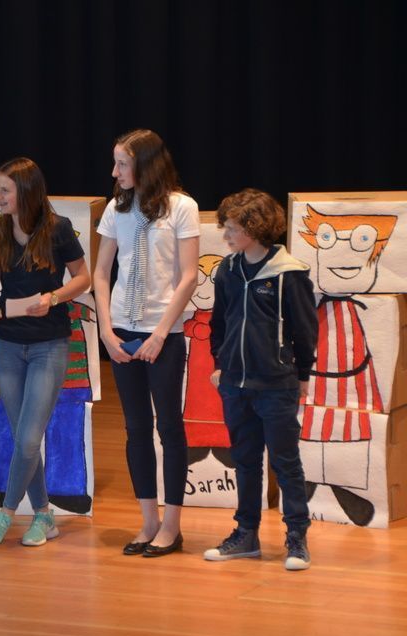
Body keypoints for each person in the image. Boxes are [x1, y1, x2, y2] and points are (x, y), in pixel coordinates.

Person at [92, 129, 199, 557]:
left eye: (122, 163)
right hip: (122, 331)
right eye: (115, 162)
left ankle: (172, 526)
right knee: (135, 427)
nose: (114, 171)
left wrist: (159, 333)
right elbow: (101, 272)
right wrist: (106, 330)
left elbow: (189, 276)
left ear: (145, 165)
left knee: (169, 426)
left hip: (163, 334)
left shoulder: (182, 207)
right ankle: (149, 521)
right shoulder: (116, 208)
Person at [0, 157, 91, 548]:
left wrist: (53, 298)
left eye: (4, 190)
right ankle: (44, 514)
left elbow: (83, 278)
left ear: (26, 191)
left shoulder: (58, 229)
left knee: (28, 440)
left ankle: (5, 514)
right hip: (7, 345)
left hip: (49, 345)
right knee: (23, 437)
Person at [205, 189, 318, 570]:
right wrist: (219, 364)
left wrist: (302, 374)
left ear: (253, 229)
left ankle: (297, 538)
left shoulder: (289, 273)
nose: (226, 235)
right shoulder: (227, 270)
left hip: (276, 385)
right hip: (235, 385)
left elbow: (305, 329)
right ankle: (246, 534)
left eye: (232, 228)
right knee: (245, 460)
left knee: (286, 463)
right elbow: (219, 323)